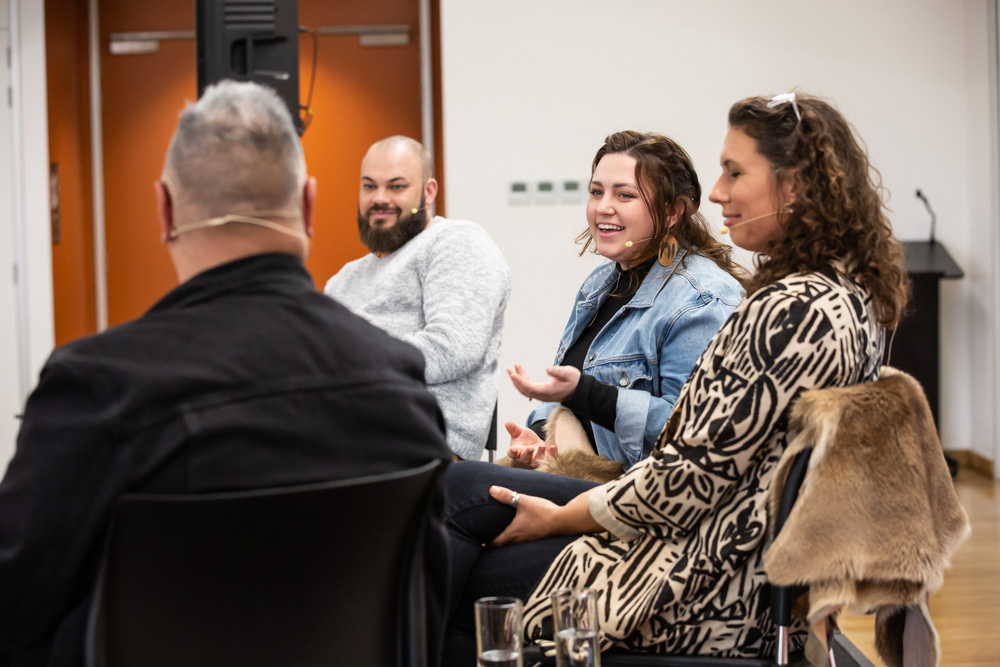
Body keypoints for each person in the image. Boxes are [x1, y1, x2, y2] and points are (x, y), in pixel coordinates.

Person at [441, 93, 907, 664]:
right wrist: (550, 436)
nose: (717, 192)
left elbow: (688, 476)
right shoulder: (833, 298)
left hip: (700, 574)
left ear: (797, 184)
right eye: (596, 191)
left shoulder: (783, 309)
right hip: (691, 535)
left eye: (735, 172)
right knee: (458, 508)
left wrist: (563, 515)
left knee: (458, 506)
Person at [0, 81, 452, 667]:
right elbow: (424, 614)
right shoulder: (399, 386)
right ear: (309, 207)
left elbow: (14, 606)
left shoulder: (96, 387)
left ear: (164, 210)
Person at [503, 131, 745, 474]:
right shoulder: (600, 283)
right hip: (573, 473)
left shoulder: (702, 299)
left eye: (625, 195)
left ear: (672, 211)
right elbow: (567, 399)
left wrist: (586, 394)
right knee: (454, 487)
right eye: (596, 192)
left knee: (459, 492)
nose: (603, 207)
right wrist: (540, 438)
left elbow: (692, 434)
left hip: (635, 500)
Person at [325, 136, 512, 462]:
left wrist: (348, 365)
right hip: (343, 434)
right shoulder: (343, 280)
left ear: (429, 191)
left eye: (396, 187)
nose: (379, 199)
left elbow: (453, 348)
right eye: (369, 187)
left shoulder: (455, 242)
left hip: (421, 443)